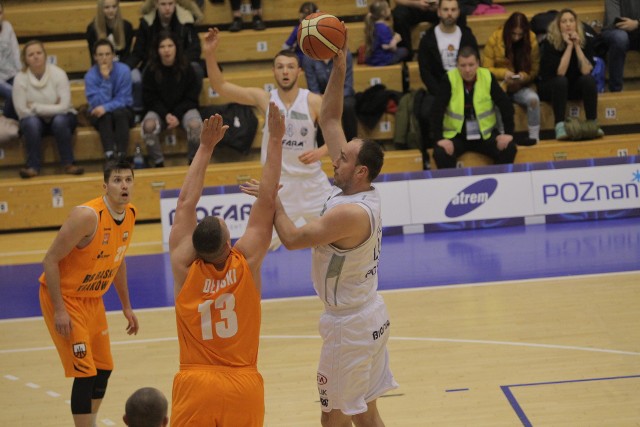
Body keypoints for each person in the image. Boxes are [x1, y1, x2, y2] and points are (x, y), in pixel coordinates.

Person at [265, 40, 398, 426]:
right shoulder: (355, 187)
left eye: (343, 157)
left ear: (360, 172)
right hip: (367, 316)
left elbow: (290, 238)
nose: (335, 157)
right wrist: (340, 67)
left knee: (333, 419)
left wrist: (271, 199)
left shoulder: (350, 213)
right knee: (367, 414)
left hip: (349, 326)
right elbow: (331, 120)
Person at [168, 106, 284, 426]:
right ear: (228, 240)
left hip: (196, 383)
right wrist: (274, 138)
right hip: (242, 384)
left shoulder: (183, 264)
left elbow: (185, 203)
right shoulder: (246, 261)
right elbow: (267, 202)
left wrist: (205, 147)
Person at [204, 27, 332, 249]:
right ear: (273, 71)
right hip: (278, 186)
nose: (285, 71)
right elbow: (220, 86)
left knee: (335, 239)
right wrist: (209, 54)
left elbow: (339, 140)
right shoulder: (265, 99)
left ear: (299, 71)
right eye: (280, 67)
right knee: (251, 247)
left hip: (314, 185)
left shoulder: (313, 101)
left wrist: (320, 151)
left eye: (290, 67)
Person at [39, 159, 140, 427]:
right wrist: (60, 309)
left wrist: (127, 306)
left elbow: (118, 260)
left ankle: (90, 422)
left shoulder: (130, 213)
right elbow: (49, 260)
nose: (124, 185)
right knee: (85, 372)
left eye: (128, 179)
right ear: (105, 186)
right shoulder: (87, 216)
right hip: (66, 298)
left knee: (104, 368)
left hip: (92, 300)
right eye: (118, 180)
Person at [430, 46, 517, 169]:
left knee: (509, 147)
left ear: (478, 64)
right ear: (457, 65)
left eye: (471, 65)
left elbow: (506, 105)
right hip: (457, 136)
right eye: (463, 65)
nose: (467, 70)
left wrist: (508, 133)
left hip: (485, 136)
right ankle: (455, 186)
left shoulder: (487, 76)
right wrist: (439, 138)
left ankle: (496, 183)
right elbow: (436, 110)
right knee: (440, 153)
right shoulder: (449, 79)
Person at [416, 0, 478, 168]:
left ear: (458, 12)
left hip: (466, 88)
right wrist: (441, 93)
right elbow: (425, 71)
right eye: (445, 9)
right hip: (437, 88)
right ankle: (430, 151)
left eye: (453, 9)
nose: (449, 13)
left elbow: (475, 65)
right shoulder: (428, 38)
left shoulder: (467, 35)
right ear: (439, 12)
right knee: (425, 111)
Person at [12, 40, 84, 178]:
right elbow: (21, 111)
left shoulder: (59, 74)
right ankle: (33, 167)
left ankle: (69, 164)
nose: (36, 56)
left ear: (45, 55)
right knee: (31, 123)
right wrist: (53, 105)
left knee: (59, 121)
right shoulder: (20, 79)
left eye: (39, 53)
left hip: (63, 118)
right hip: (35, 123)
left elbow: (64, 107)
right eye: (31, 54)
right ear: (25, 59)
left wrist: (34, 106)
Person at [125, 0, 203, 112]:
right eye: (163, 4)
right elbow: (138, 52)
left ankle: (190, 107)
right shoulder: (146, 23)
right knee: (140, 73)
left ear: (175, 3)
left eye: (170, 4)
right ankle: (146, 110)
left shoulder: (186, 21)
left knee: (196, 69)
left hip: (181, 65)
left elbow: (195, 49)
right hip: (154, 65)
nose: (167, 8)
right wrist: (123, 68)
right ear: (156, 4)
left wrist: (177, 61)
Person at [538, 8, 602, 140]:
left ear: (576, 24)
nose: (568, 24)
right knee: (561, 81)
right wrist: (568, 47)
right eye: (564, 21)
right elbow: (560, 72)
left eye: (571, 21)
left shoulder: (584, 41)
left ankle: (592, 123)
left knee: (588, 80)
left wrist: (577, 46)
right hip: (551, 87)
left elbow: (585, 70)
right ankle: (559, 125)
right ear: (558, 25)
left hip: (572, 86)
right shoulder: (550, 42)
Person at [142, 30, 202, 167]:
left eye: (170, 46)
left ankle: (193, 163)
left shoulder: (188, 68)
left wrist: (177, 115)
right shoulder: (150, 70)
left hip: (184, 110)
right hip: (160, 112)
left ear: (176, 47)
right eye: (162, 46)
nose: (166, 50)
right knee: (148, 125)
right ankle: (158, 163)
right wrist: (166, 115)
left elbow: (192, 98)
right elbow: (149, 99)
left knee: (196, 126)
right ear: (157, 50)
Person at [483, 12, 541, 146]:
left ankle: (534, 137)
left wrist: (523, 76)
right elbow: (486, 69)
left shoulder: (531, 41)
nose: (516, 37)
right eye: (513, 33)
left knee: (533, 100)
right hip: (501, 84)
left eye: (520, 34)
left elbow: (534, 70)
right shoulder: (495, 39)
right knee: (498, 100)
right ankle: (503, 135)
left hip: (521, 85)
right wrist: (504, 73)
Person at [84, 39, 134, 161]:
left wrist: (106, 107)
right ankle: (110, 155)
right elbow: (96, 104)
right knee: (104, 116)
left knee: (118, 113)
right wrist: (106, 80)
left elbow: (124, 99)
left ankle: (122, 155)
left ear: (113, 55)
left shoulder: (124, 71)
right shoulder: (90, 76)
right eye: (100, 55)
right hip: (100, 115)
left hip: (123, 112)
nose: (104, 58)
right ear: (95, 57)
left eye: (107, 54)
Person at [303, 49, 358, 144]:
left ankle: (352, 144)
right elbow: (313, 89)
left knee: (348, 106)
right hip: (320, 97)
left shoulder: (346, 54)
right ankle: (321, 146)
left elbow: (348, 87)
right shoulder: (308, 58)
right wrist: (325, 99)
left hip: (342, 95)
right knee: (319, 107)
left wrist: (333, 98)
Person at [602, 0, 640, 92]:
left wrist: (636, 23)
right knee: (620, 38)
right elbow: (615, 21)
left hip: (637, 30)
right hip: (615, 31)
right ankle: (616, 89)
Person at [86, 0, 134, 66]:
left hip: (121, 65)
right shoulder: (92, 29)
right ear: (100, 9)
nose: (111, 11)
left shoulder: (127, 27)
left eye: (114, 7)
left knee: (135, 75)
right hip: (101, 66)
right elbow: (94, 57)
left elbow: (126, 55)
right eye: (107, 7)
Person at [364, 0, 410, 66]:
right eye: (388, 7)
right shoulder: (383, 28)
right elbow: (391, 48)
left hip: (372, 59)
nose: (390, 9)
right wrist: (396, 39)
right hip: (383, 59)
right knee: (404, 51)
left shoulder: (372, 26)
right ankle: (404, 73)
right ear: (383, 12)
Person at [0, 0, 21, 120]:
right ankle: (5, 121)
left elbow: (15, 50)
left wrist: (20, 75)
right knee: (13, 93)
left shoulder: (7, 26)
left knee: (24, 90)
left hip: (11, 73)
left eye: (0, 13)